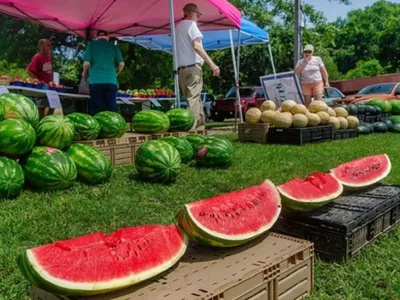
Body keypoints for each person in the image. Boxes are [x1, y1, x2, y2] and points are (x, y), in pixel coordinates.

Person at [176, 3, 220, 130]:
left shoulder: (178, 27)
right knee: (194, 101)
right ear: (190, 13)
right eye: (197, 14)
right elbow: (196, 45)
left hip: (181, 70)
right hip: (193, 68)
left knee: (194, 100)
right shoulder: (191, 25)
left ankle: (200, 128)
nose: (199, 17)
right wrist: (212, 65)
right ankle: (192, 130)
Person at [82, 30, 125, 115]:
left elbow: (86, 63)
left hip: (95, 81)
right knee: (111, 106)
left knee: (97, 108)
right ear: (107, 38)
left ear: (97, 37)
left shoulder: (91, 46)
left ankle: (98, 126)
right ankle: (113, 126)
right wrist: (115, 73)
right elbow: (121, 64)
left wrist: (85, 73)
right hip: (111, 81)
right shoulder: (113, 47)